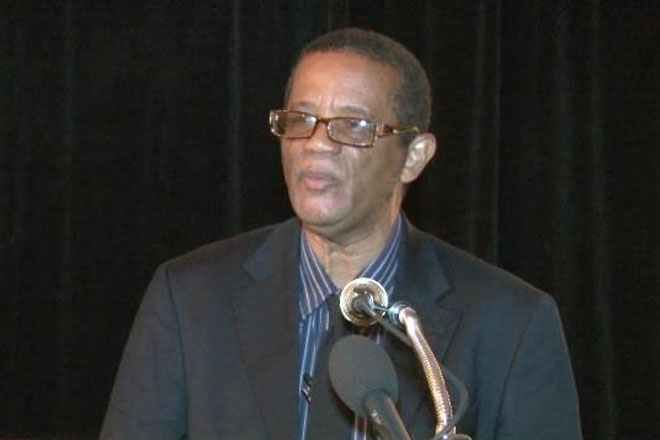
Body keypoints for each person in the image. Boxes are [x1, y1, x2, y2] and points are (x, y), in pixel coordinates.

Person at [100, 28, 582, 439]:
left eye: (352, 126)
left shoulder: (510, 324)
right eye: (300, 121)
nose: (316, 145)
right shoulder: (191, 299)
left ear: (414, 157)